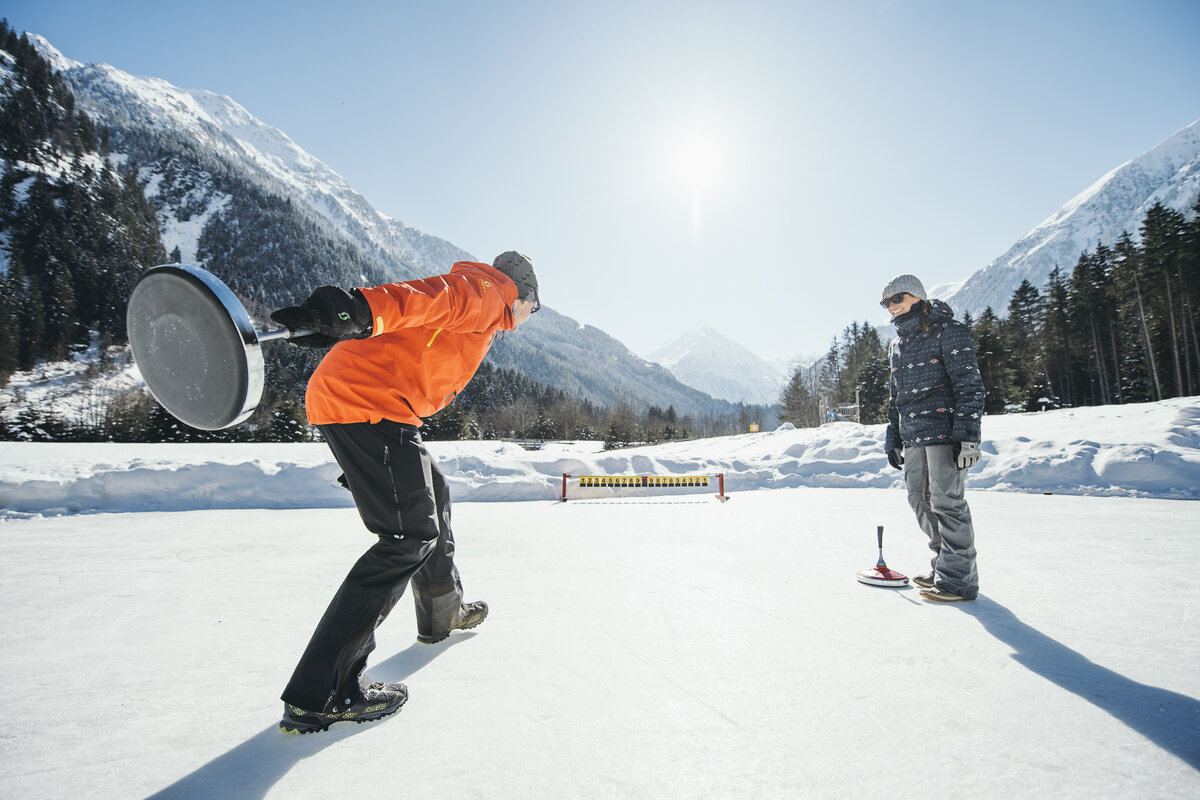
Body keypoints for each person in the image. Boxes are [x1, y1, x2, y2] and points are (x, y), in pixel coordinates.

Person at [269, 251, 540, 733]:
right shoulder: (483, 294)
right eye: (534, 308)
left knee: (434, 490)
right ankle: (322, 693)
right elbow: (419, 300)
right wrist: (358, 310)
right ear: (521, 292)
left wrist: (352, 324)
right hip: (365, 405)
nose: (529, 318)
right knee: (407, 537)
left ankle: (442, 611)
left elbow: (416, 322)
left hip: (377, 406)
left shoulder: (484, 306)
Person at [881, 274, 985, 603]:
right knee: (920, 501)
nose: (892, 306)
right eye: (887, 303)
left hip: (944, 431)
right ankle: (944, 566)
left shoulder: (949, 331)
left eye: (898, 298)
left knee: (947, 504)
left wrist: (968, 436)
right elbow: (896, 397)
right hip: (913, 436)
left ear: (919, 297)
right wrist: (893, 437)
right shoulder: (897, 344)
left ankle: (959, 581)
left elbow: (969, 385)